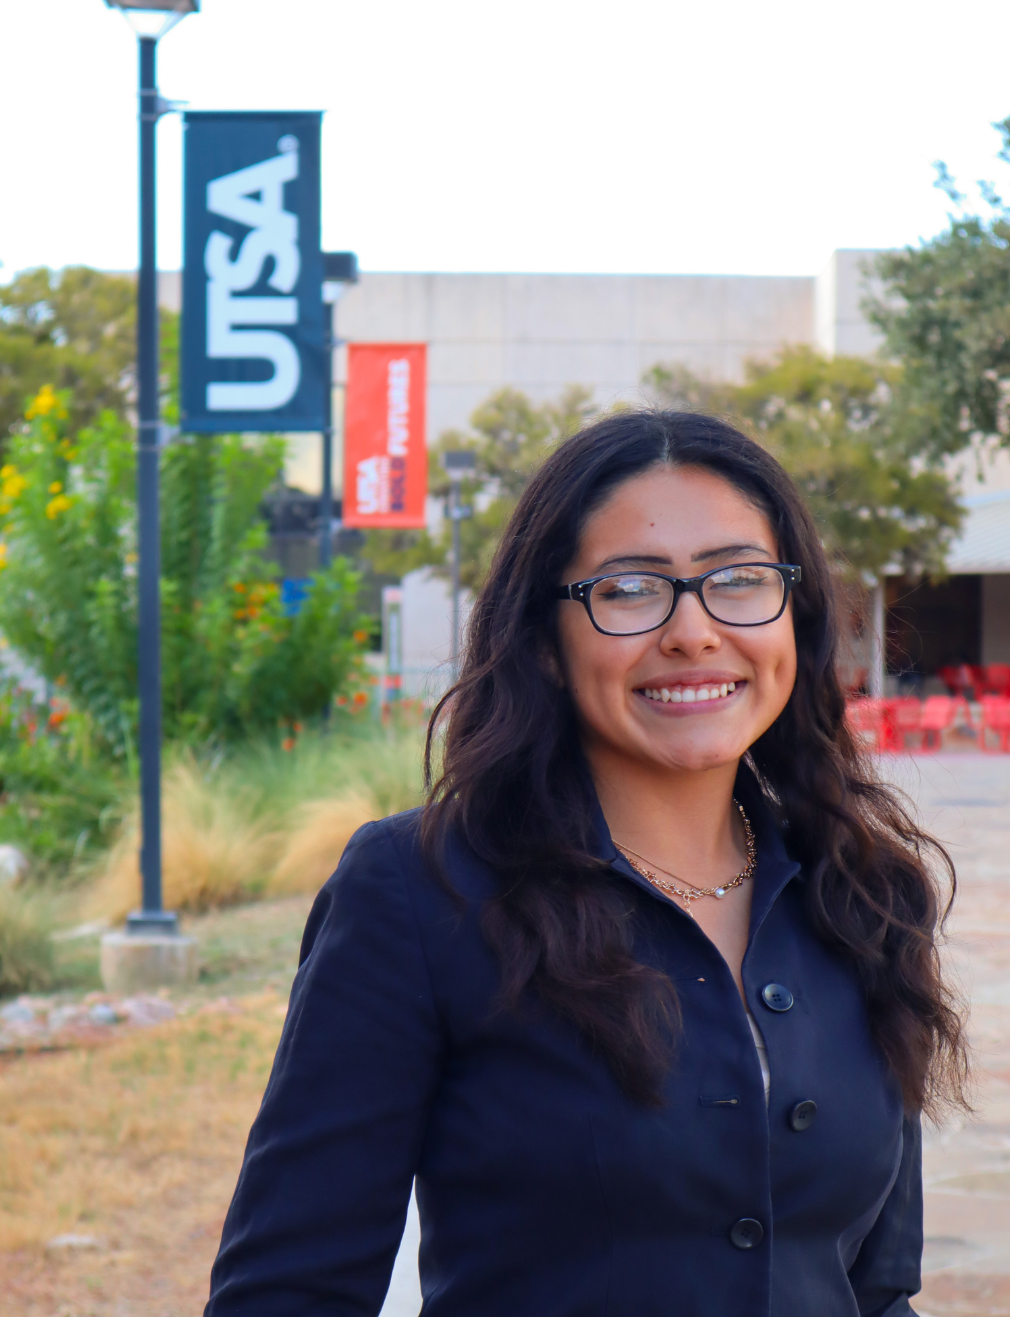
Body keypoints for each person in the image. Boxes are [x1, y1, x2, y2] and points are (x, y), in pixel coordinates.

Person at [206, 410, 967, 1317]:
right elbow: (289, 1292)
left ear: (792, 621)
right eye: (632, 590)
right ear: (544, 643)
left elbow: (875, 1292)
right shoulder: (418, 892)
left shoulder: (868, 893)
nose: (693, 631)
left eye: (739, 579)